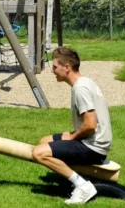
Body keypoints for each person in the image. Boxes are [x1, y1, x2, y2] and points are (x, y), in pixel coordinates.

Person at [31, 47, 113, 204]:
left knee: (39, 153)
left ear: (66, 67)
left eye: (55, 67)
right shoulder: (85, 82)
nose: (52, 71)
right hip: (93, 141)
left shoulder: (80, 88)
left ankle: (82, 186)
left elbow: (90, 125)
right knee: (44, 141)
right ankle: (71, 175)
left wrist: (72, 136)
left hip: (94, 147)